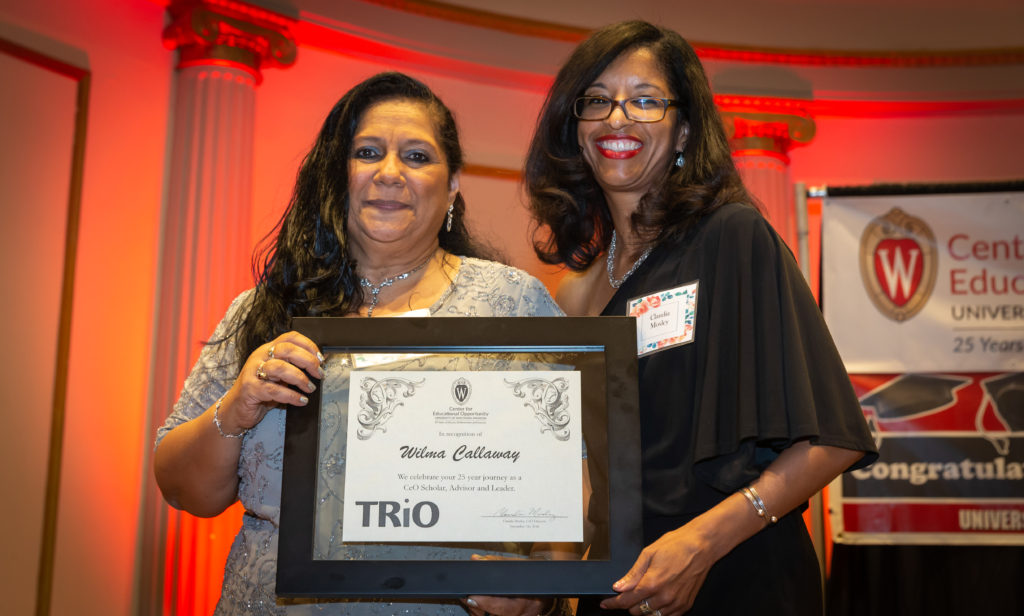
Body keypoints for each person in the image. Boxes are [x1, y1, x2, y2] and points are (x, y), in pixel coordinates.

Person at [154, 72, 564, 615]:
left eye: (417, 157)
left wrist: (543, 591)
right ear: (336, 174)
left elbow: (579, 477)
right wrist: (238, 405)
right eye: (367, 152)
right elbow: (187, 492)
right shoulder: (263, 312)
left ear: (454, 183)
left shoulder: (510, 304)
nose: (390, 173)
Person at [523, 21, 878, 616]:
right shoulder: (574, 289)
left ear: (684, 128)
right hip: (620, 586)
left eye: (645, 100)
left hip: (736, 574)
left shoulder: (732, 237)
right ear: (575, 129)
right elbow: (580, 474)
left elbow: (833, 441)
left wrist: (701, 544)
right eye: (598, 101)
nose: (618, 118)